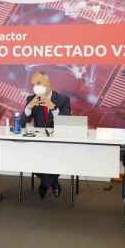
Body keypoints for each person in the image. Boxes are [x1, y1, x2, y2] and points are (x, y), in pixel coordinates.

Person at [23, 71, 71, 199]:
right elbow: (22, 123)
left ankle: (44, 184)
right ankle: (53, 183)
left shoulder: (63, 100)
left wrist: (53, 108)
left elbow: (66, 123)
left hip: (58, 142)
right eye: (34, 84)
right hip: (38, 143)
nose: (36, 86)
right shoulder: (31, 99)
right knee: (28, 157)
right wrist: (28, 109)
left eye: (39, 83)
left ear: (48, 84)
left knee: (61, 159)